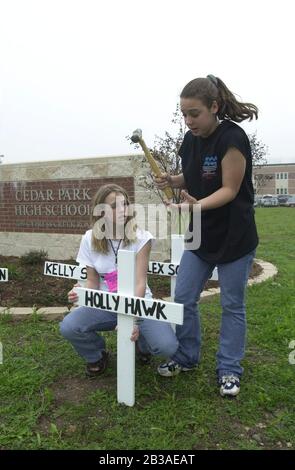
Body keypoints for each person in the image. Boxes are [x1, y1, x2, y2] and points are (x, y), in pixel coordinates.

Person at [155, 75, 259, 397]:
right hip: (200, 235)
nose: (188, 121)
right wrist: (173, 180)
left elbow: (229, 188)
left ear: (214, 107)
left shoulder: (232, 138)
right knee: (184, 296)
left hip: (235, 236)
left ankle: (229, 368)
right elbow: (196, 173)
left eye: (194, 113)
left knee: (232, 305)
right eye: (184, 114)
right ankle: (186, 356)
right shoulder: (190, 140)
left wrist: (198, 204)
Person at [60, 183, 178, 377]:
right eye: (115, 206)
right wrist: (80, 293)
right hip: (106, 303)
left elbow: (140, 283)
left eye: (125, 204)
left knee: (167, 347)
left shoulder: (142, 238)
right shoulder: (90, 238)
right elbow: (92, 281)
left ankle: (143, 345)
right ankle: (97, 354)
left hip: (138, 302)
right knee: (69, 326)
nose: (123, 210)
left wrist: (132, 318)